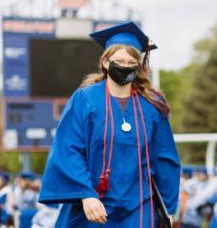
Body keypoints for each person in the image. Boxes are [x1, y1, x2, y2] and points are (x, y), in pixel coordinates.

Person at [38, 22, 181, 227]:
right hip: (93, 206)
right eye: (119, 61)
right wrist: (85, 194)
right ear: (105, 62)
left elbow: (165, 158)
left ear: (139, 66)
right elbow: (68, 148)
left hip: (138, 208)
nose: (124, 66)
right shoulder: (85, 99)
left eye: (131, 62)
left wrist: (168, 208)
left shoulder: (151, 108)